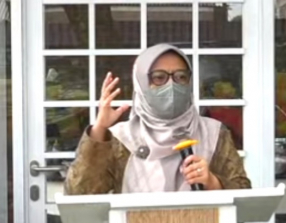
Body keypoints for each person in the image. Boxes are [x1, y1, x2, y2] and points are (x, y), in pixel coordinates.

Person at [65, 43, 251, 195]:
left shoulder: (213, 133)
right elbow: (78, 195)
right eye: (159, 78)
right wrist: (99, 128)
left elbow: (244, 195)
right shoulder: (121, 139)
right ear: (141, 84)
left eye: (181, 77)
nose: (171, 85)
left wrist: (213, 182)